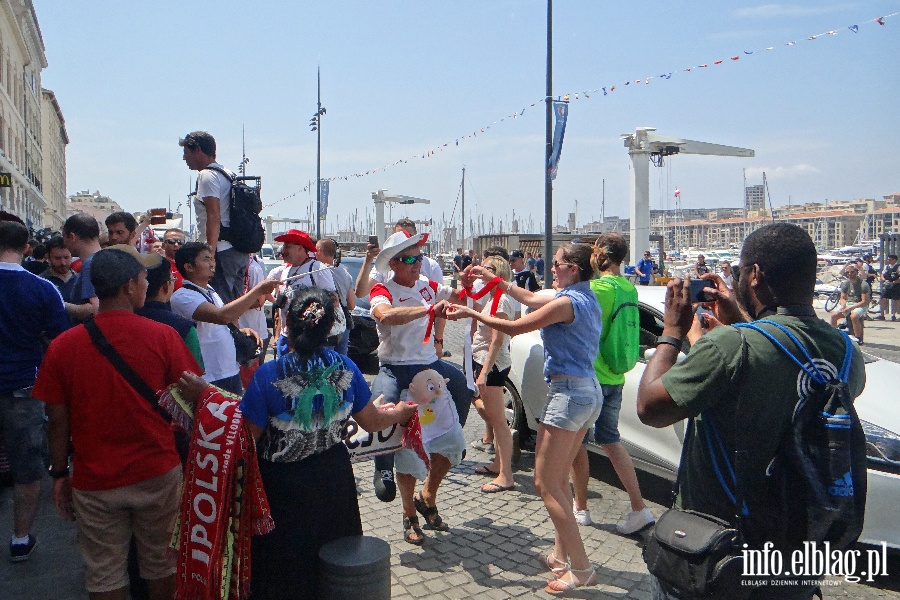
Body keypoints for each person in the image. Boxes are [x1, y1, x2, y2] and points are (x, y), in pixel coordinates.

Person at [636, 223, 866, 600]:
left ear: (755, 275)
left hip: (716, 553)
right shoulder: (846, 353)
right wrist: (744, 319)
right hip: (793, 551)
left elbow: (649, 408)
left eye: (741, 270)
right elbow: (784, 368)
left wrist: (673, 332)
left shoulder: (732, 345)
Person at [214, 287, 414, 599]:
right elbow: (372, 422)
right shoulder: (346, 368)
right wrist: (400, 413)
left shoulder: (269, 374)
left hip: (281, 484)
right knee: (333, 558)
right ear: (330, 328)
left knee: (284, 565)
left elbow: (246, 440)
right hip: (332, 477)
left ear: (286, 325)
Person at [33, 245, 203, 599]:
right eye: (143, 279)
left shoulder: (63, 347)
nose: (147, 286)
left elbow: (57, 419)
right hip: (156, 471)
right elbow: (192, 397)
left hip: (94, 479)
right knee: (163, 564)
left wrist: (59, 473)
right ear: (129, 286)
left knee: (104, 573)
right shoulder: (163, 337)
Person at [447, 243, 603, 593]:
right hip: (587, 391)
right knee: (559, 478)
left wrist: (470, 315)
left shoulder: (565, 302)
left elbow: (515, 327)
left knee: (545, 484)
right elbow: (528, 297)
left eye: (558, 264)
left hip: (568, 394)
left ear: (573, 269)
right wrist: (493, 278)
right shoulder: (583, 296)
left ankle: (581, 568)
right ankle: (562, 557)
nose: (552, 268)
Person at [367, 231, 472, 516]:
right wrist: (428, 310)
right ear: (394, 264)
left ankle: (452, 434)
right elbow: (386, 315)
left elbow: (460, 296)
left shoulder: (428, 284)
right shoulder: (382, 289)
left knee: (462, 385)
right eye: (410, 258)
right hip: (395, 366)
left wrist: (468, 286)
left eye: (420, 257)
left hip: (427, 365)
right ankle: (382, 468)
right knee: (380, 403)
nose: (417, 263)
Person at [570, 233, 655, 532]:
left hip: (589, 377)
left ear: (601, 256)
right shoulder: (628, 289)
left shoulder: (598, 289)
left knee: (577, 442)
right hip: (615, 376)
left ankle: (580, 507)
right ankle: (638, 507)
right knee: (611, 439)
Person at [0, 220, 70, 562]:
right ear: (27, 247)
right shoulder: (42, 289)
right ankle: (20, 537)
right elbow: (60, 340)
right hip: (23, 388)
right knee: (26, 468)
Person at [171, 242, 278, 394]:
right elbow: (221, 316)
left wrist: (240, 330)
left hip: (229, 371)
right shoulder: (183, 296)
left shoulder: (210, 290)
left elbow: (224, 320)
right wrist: (257, 291)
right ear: (189, 267)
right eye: (206, 259)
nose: (212, 263)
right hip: (209, 376)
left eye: (212, 258)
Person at [179, 131, 247, 304]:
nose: (184, 158)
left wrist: (209, 254)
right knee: (233, 307)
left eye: (186, 152)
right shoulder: (228, 174)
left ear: (198, 151)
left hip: (222, 252)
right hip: (238, 250)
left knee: (220, 307)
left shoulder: (207, 175)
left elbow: (213, 215)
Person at [467, 255, 516, 493]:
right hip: (485, 360)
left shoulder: (502, 300)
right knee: (495, 420)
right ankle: (499, 463)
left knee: (498, 421)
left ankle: (506, 474)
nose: (481, 273)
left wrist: (484, 371)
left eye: (486, 269)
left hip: (492, 364)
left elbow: (497, 340)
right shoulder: (493, 296)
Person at [267, 229, 337, 357]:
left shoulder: (317, 268)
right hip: (286, 336)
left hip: (309, 339)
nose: (283, 250)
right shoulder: (285, 271)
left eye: (287, 246)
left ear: (300, 248)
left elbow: (333, 300)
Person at [134, 258, 205, 369]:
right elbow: (193, 377)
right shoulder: (185, 328)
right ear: (166, 286)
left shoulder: (121, 321)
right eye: (173, 280)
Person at [316, 238, 355, 355]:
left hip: (326, 321)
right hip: (343, 322)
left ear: (319, 250)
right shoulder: (345, 272)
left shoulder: (318, 271)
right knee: (341, 361)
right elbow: (351, 304)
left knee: (326, 361)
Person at [61, 212, 102, 321]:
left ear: (72, 237)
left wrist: (57, 302)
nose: (64, 242)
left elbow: (94, 309)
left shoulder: (90, 264)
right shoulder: (104, 259)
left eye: (64, 237)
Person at [828, 265, 869, 344]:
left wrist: (851, 308)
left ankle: (857, 338)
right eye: (847, 272)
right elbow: (842, 297)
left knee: (854, 316)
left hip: (860, 304)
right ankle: (835, 336)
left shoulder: (863, 284)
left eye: (852, 272)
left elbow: (865, 301)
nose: (849, 274)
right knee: (834, 315)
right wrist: (843, 305)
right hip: (849, 303)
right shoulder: (846, 283)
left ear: (857, 272)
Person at [40, 236, 76, 300]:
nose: (63, 263)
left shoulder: (81, 279)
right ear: (48, 258)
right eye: (57, 258)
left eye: (66, 257)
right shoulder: (41, 282)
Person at [877, 254, 899, 321]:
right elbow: (882, 274)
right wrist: (883, 279)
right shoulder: (887, 267)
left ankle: (894, 315)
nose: (888, 260)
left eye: (890, 259)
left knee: (896, 300)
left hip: (896, 286)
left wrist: (894, 282)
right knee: (883, 298)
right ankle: (882, 315)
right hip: (887, 285)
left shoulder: (898, 267)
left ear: (894, 260)